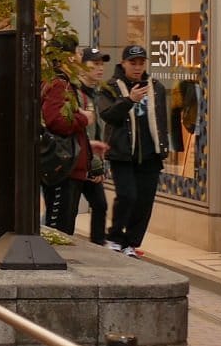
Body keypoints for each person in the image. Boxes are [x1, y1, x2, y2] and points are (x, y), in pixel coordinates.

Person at [98, 44, 173, 255]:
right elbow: (108, 115)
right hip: (122, 153)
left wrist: (164, 147)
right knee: (127, 195)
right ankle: (114, 237)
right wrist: (129, 100)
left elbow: (161, 120)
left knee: (144, 202)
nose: (138, 67)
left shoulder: (155, 86)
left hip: (150, 154)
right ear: (123, 63)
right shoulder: (110, 87)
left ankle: (130, 243)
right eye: (133, 63)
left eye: (141, 62)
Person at [43, 43, 111, 246]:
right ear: (67, 58)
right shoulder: (58, 84)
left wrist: (90, 147)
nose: (79, 58)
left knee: (66, 226)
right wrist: (84, 119)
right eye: (77, 53)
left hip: (74, 164)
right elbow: (55, 121)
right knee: (60, 231)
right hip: (63, 167)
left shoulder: (65, 84)